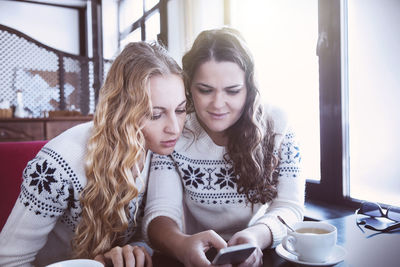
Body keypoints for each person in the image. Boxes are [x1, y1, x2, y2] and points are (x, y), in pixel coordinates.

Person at [0, 41, 187, 267]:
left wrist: (133, 252)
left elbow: (147, 236)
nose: (175, 128)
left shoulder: (161, 151)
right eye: (156, 115)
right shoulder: (57, 166)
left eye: (180, 109)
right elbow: (9, 260)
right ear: (121, 111)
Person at [143, 28, 305, 267]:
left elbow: (290, 206)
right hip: (188, 254)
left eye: (232, 91)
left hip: (259, 249)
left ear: (249, 89)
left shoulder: (279, 126)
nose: (218, 104)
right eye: (205, 90)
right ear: (188, 87)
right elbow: (160, 212)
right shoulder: (175, 129)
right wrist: (181, 245)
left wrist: (256, 236)